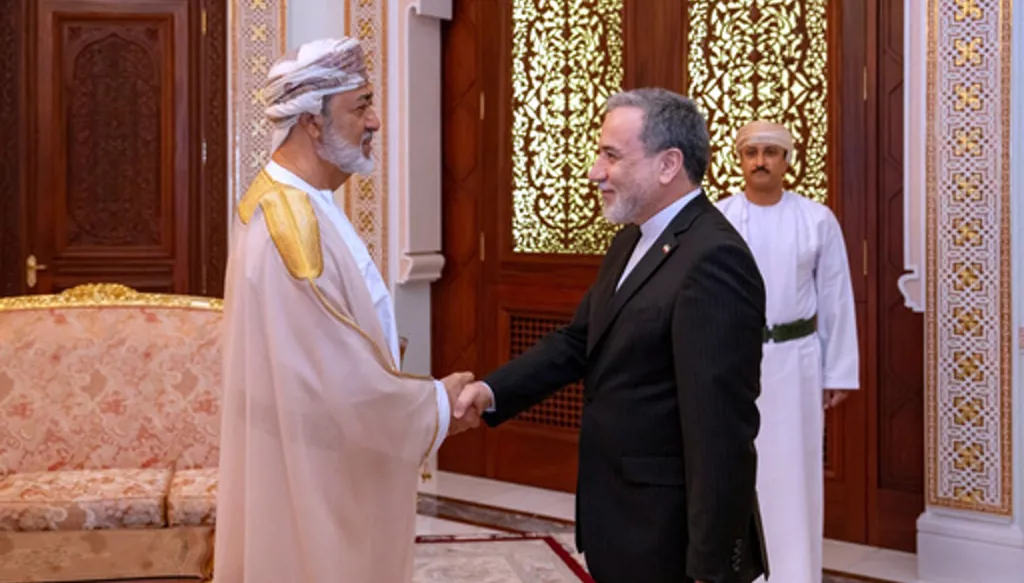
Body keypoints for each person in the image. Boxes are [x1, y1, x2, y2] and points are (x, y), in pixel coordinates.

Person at [455, 88, 769, 583]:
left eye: (612, 155)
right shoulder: (633, 238)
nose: (594, 171)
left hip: (667, 541)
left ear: (668, 164)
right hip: (619, 523)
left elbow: (721, 434)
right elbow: (579, 341)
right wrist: (491, 391)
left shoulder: (714, 258)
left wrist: (711, 571)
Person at [213, 37, 475, 583]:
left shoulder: (299, 200)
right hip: (316, 472)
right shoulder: (289, 225)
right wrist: (436, 405)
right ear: (313, 121)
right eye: (361, 106)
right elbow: (336, 381)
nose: (375, 121)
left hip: (315, 454)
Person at [715, 120, 860, 583]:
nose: (760, 161)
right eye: (751, 152)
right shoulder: (718, 219)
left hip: (797, 364)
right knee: (737, 470)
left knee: (795, 475)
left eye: (770, 152)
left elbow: (836, 298)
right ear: (739, 160)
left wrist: (838, 371)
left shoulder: (816, 219)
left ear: (787, 161)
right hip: (734, 365)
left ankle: (795, 573)